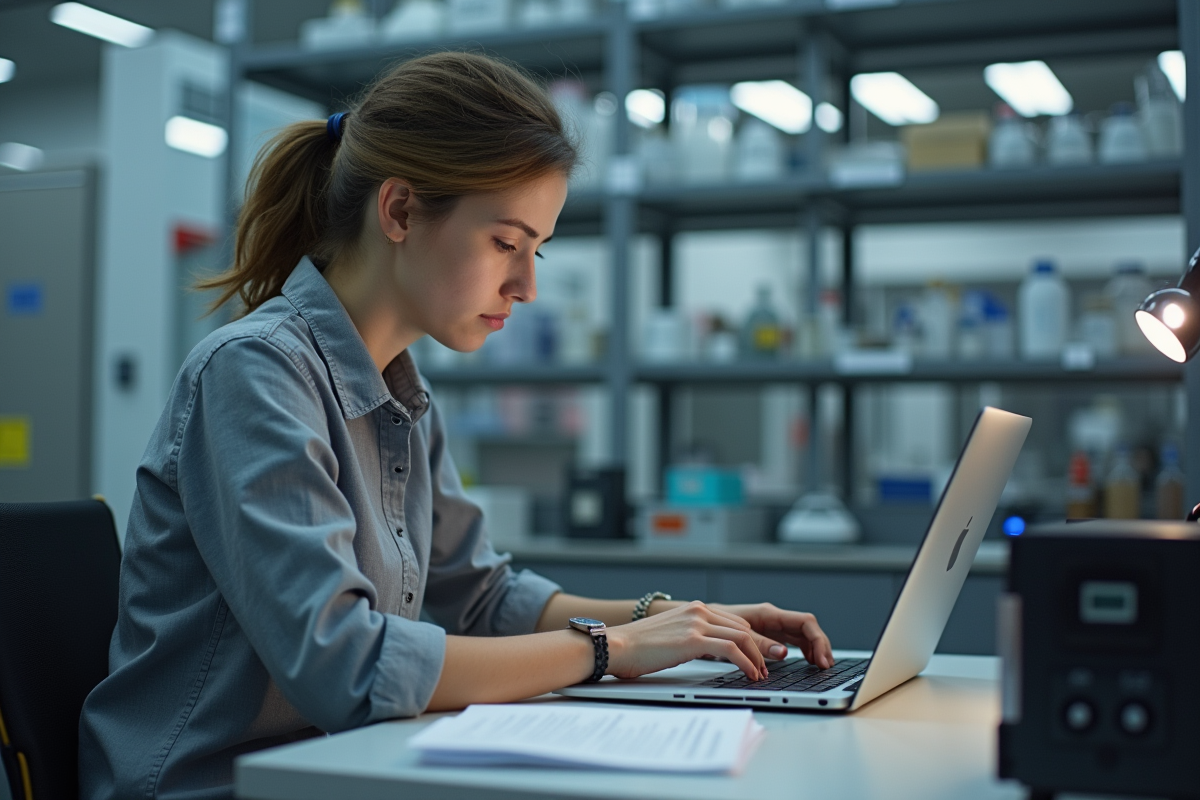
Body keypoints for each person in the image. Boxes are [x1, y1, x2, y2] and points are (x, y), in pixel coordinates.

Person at [78, 51, 832, 799]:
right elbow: (347, 665)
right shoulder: (254, 373)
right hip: (206, 784)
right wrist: (612, 649)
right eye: (507, 243)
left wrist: (678, 621)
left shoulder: (398, 388)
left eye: (537, 249)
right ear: (400, 210)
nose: (527, 285)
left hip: (341, 766)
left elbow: (477, 597)